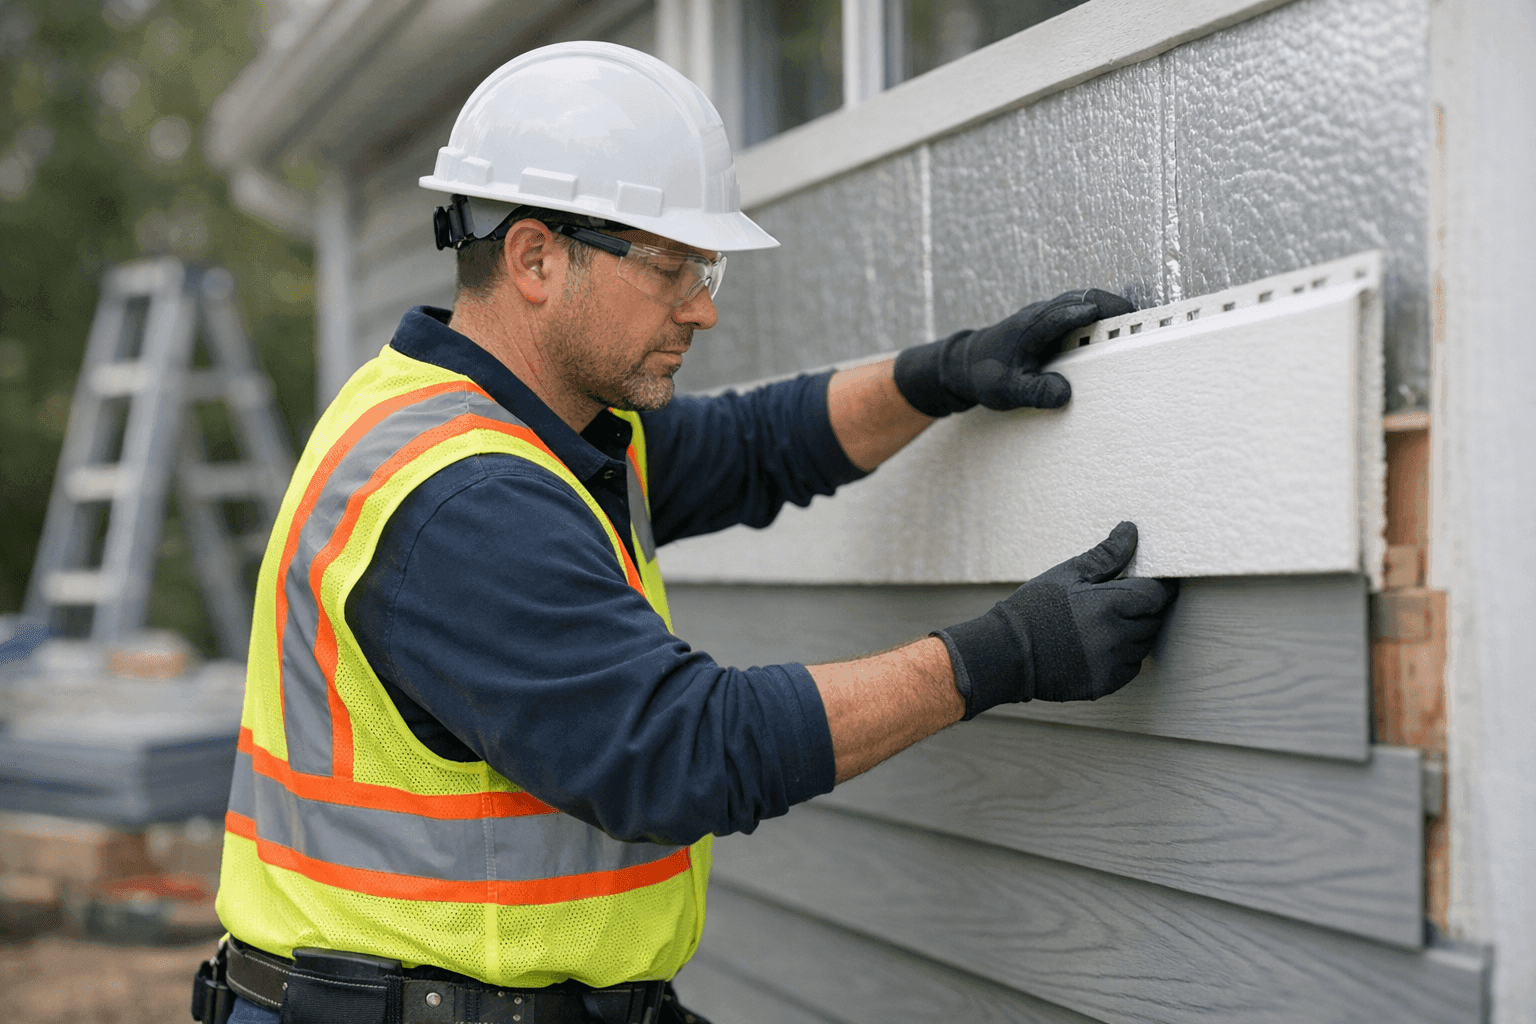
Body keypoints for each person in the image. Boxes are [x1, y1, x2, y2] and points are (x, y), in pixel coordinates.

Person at [192, 40, 1178, 1024]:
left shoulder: (511, 417)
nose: (701, 307)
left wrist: (943, 373)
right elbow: (677, 750)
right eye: (671, 268)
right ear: (536, 256)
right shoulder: (466, 500)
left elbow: (752, 445)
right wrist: (1000, 656)